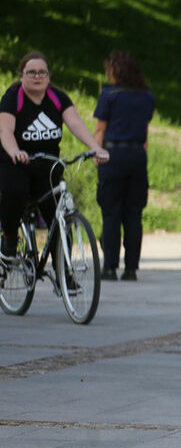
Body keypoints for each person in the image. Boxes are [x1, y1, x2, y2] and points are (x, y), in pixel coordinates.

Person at [0, 51, 109, 264]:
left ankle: (65, 273)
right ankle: (9, 239)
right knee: (16, 191)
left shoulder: (57, 98)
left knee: (59, 216)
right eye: (31, 72)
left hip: (46, 165)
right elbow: (5, 131)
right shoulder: (13, 97)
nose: (37, 76)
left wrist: (95, 147)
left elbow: (76, 124)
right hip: (15, 162)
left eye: (42, 72)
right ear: (21, 75)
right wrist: (14, 151)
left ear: (49, 76)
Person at [93, 50, 155, 281]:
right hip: (137, 155)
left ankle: (109, 267)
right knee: (134, 213)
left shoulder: (109, 94)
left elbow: (100, 129)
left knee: (111, 213)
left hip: (113, 154)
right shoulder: (147, 95)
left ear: (114, 71)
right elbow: (145, 131)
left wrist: (97, 153)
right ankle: (131, 268)